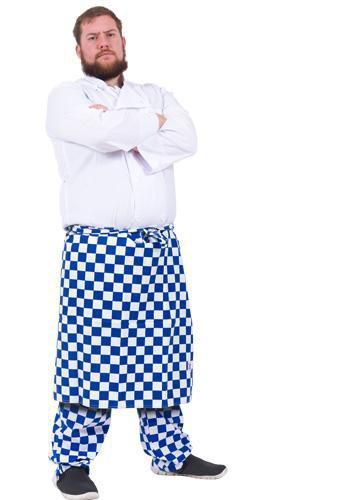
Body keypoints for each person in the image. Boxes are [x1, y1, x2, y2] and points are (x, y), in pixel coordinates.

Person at [46, 6, 227, 499]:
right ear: (79, 48)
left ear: (124, 42)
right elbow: (103, 134)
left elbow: (186, 138)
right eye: (92, 37)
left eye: (110, 34)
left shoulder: (156, 94)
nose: (103, 42)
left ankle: (170, 453)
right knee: (90, 357)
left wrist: (128, 128)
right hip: (96, 250)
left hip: (158, 248)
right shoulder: (66, 98)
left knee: (164, 354)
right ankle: (72, 462)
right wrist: (147, 127)